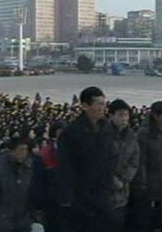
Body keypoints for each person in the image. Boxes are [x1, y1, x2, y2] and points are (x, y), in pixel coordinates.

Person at [56, 86, 116, 231]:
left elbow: (112, 158)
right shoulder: (71, 132)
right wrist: (66, 198)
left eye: (103, 103)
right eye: (98, 104)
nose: (102, 108)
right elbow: (65, 166)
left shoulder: (107, 129)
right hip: (81, 196)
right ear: (85, 106)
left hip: (103, 194)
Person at [131, 101, 162, 231]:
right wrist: (142, 181)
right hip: (150, 178)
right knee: (146, 214)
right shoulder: (144, 133)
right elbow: (141, 159)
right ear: (156, 116)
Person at [0, 135, 32, 232]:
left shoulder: (27, 167)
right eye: (21, 150)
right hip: (3, 219)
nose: (24, 153)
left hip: (23, 218)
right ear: (12, 151)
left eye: (25, 150)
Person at [108, 99, 140, 231]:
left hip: (122, 190)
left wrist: (125, 179)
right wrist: (113, 180)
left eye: (126, 115)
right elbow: (98, 161)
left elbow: (134, 160)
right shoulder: (102, 134)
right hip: (103, 190)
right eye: (120, 115)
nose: (124, 118)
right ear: (111, 115)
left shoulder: (131, 136)